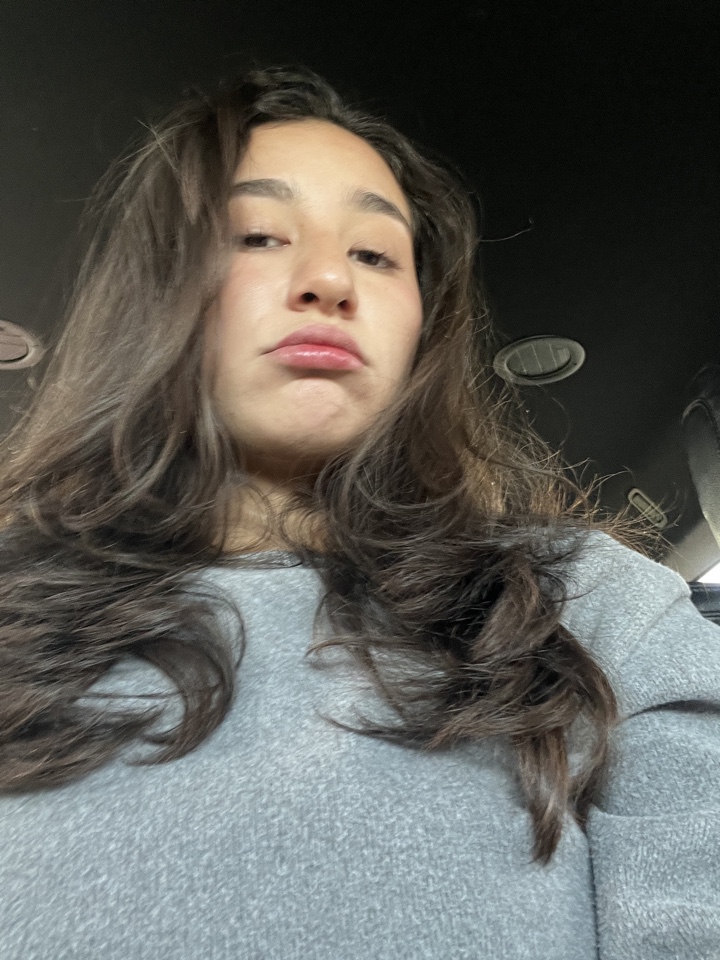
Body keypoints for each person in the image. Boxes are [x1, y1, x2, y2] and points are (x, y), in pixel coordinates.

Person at [0, 64, 718, 960]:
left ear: (421, 323)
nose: (328, 279)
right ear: (154, 292)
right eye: (257, 236)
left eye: (377, 255)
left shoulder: (595, 610)